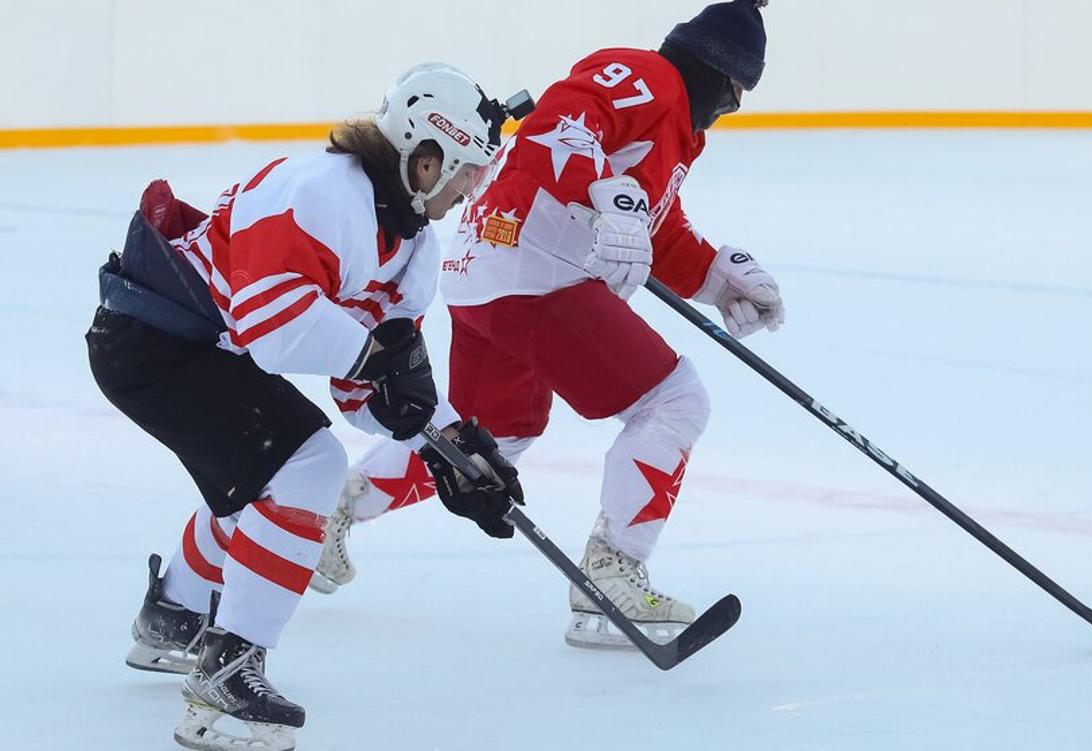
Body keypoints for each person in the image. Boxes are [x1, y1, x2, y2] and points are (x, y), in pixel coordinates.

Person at [316, 0, 782, 650]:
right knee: (675, 399)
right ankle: (612, 567)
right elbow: (561, 121)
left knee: (493, 437)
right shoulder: (648, 77)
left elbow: (653, 228)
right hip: (536, 269)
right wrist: (612, 198)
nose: (731, 107)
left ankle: (339, 504)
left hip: (488, 271)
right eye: (735, 93)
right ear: (718, 71)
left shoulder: (673, 127)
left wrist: (716, 276)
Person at [87, 63, 524, 751]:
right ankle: (225, 683)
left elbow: (368, 391)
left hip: (199, 351)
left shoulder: (413, 249)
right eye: (469, 171)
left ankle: (171, 615)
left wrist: (449, 444)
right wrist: (381, 360)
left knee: (267, 479)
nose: (475, 189)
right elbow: (272, 324)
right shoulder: (320, 192)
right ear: (426, 156)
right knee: (306, 466)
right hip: (151, 340)